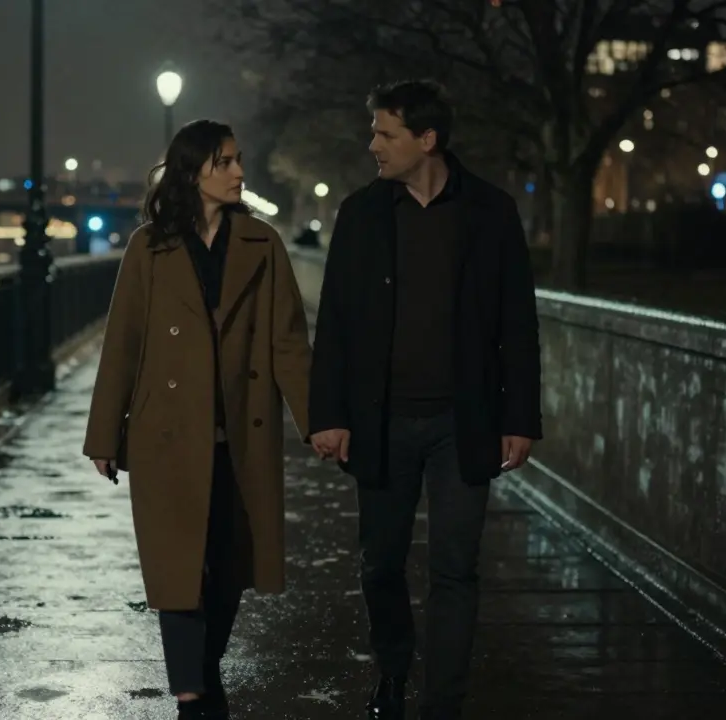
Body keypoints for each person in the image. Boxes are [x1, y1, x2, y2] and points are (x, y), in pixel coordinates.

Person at [308, 80, 543, 720]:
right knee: (381, 564)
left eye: (385, 133)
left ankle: (443, 702)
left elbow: (518, 323)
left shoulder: (490, 212)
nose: (373, 145)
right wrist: (328, 415)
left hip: (462, 423)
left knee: (455, 569)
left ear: (427, 139)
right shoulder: (361, 214)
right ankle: (392, 669)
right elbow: (335, 323)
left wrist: (520, 417)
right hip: (381, 422)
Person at [83, 119, 312, 719]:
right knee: (178, 567)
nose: (239, 172)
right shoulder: (148, 247)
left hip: (239, 433)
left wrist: (319, 421)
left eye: (238, 160)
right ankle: (191, 694)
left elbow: (289, 343)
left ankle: (202, 676)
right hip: (166, 434)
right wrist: (105, 434)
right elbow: (122, 344)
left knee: (230, 568)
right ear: (193, 171)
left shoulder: (262, 243)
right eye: (225, 162)